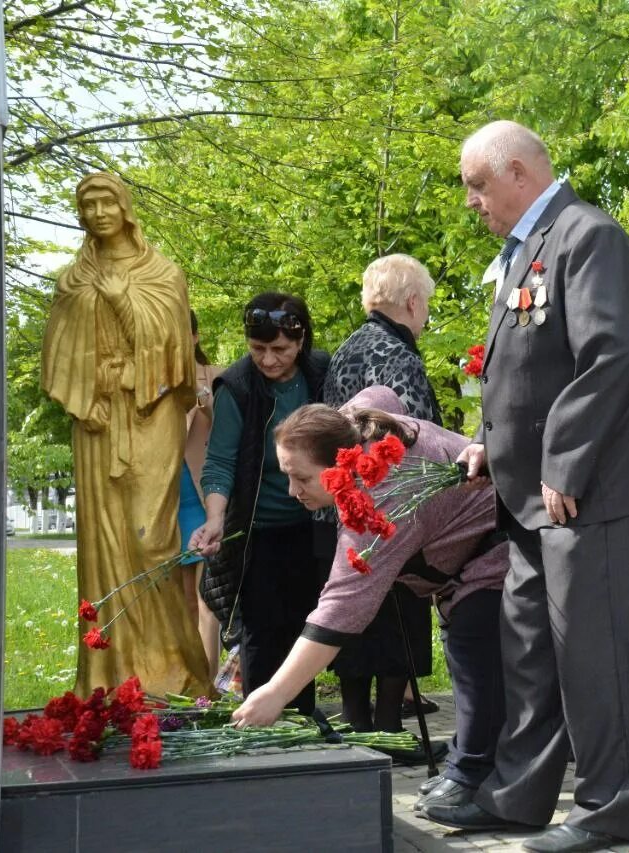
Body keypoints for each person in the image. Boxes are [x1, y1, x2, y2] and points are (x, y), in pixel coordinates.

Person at [423, 121, 629, 853]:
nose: (471, 201)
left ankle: (610, 808)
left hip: (590, 488)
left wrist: (561, 460)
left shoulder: (587, 235)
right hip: (531, 495)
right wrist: (490, 447)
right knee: (531, 650)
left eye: (476, 184)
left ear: (518, 173)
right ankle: (519, 795)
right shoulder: (530, 248)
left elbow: (610, 357)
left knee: (599, 656)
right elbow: (529, 372)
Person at [230, 386, 508, 814]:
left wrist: (276, 692)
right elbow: (382, 394)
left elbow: (340, 609)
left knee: (473, 659)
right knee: (470, 660)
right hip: (465, 563)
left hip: (496, 555)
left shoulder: (379, 499)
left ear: (337, 461)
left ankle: (473, 776)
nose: (292, 490)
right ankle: (470, 768)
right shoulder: (352, 425)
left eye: (301, 477)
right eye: (286, 475)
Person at [41, 171, 211, 698]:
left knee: (152, 539)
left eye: (105, 202)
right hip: (96, 419)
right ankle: (111, 676)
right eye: (86, 204)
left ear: (124, 208)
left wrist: (119, 300)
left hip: (149, 413)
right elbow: (60, 354)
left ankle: (171, 673)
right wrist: (84, 396)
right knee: (104, 542)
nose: (97, 213)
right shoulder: (73, 280)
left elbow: (173, 354)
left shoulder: (162, 273)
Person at [192, 293, 331, 715]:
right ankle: (259, 721)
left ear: (301, 340)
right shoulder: (237, 386)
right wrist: (215, 518)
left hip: (317, 525)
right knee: (261, 631)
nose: (268, 360)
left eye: (280, 350)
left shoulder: (322, 372)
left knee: (309, 625)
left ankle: (300, 718)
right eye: (258, 350)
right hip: (260, 531)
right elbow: (219, 462)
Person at [323, 254, 442, 740]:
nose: (427, 313)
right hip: (393, 510)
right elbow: (417, 433)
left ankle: (355, 721)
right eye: (427, 304)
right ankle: (390, 726)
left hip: (347, 506)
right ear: (412, 303)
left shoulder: (344, 350)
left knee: (353, 608)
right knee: (398, 615)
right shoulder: (400, 356)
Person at [181, 309, 222, 680]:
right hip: (163, 499)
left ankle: (206, 685)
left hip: (201, 493)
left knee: (205, 596)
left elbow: (223, 424)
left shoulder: (216, 376)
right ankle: (178, 677)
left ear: (195, 336)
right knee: (176, 599)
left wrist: (202, 396)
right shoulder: (149, 382)